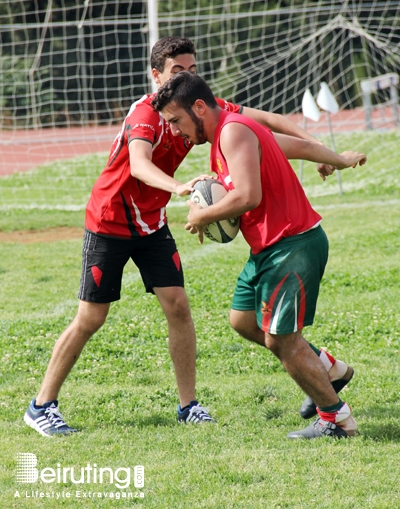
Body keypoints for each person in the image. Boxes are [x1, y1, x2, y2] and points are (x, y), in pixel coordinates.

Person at [24, 37, 352, 437]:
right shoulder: (147, 113)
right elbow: (140, 166)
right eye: (178, 70)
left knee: (178, 306)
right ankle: (42, 405)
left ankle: (188, 406)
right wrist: (180, 189)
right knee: (92, 317)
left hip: (153, 223)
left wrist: (326, 152)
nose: (188, 75)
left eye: (192, 68)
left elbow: (269, 126)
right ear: (156, 74)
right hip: (110, 221)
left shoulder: (198, 106)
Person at [151, 71, 367, 439]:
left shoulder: (233, 131)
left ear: (199, 107)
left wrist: (202, 214)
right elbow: (293, 146)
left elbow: (248, 196)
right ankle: (327, 368)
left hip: (290, 244)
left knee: (281, 339)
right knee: (242, 320)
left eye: (176, 121)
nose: (174, 132)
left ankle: (336, 420)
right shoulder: (231, 133)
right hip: (269, 249)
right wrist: (338, 159)